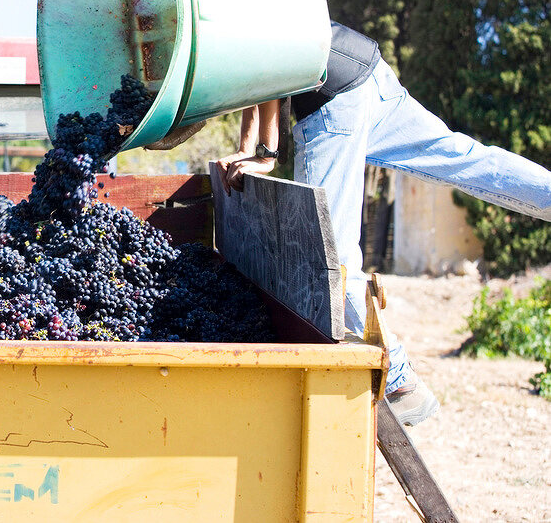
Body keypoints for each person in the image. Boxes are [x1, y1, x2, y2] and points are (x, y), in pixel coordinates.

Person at [213, 21, 551, 426]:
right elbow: (257, 78)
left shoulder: (229, 6)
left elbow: (269, 67)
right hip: (369, 72)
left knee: (327, 258)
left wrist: (265, 151)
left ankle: (402, 384)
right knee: (463, 157)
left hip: (330, 100)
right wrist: (248, 147)